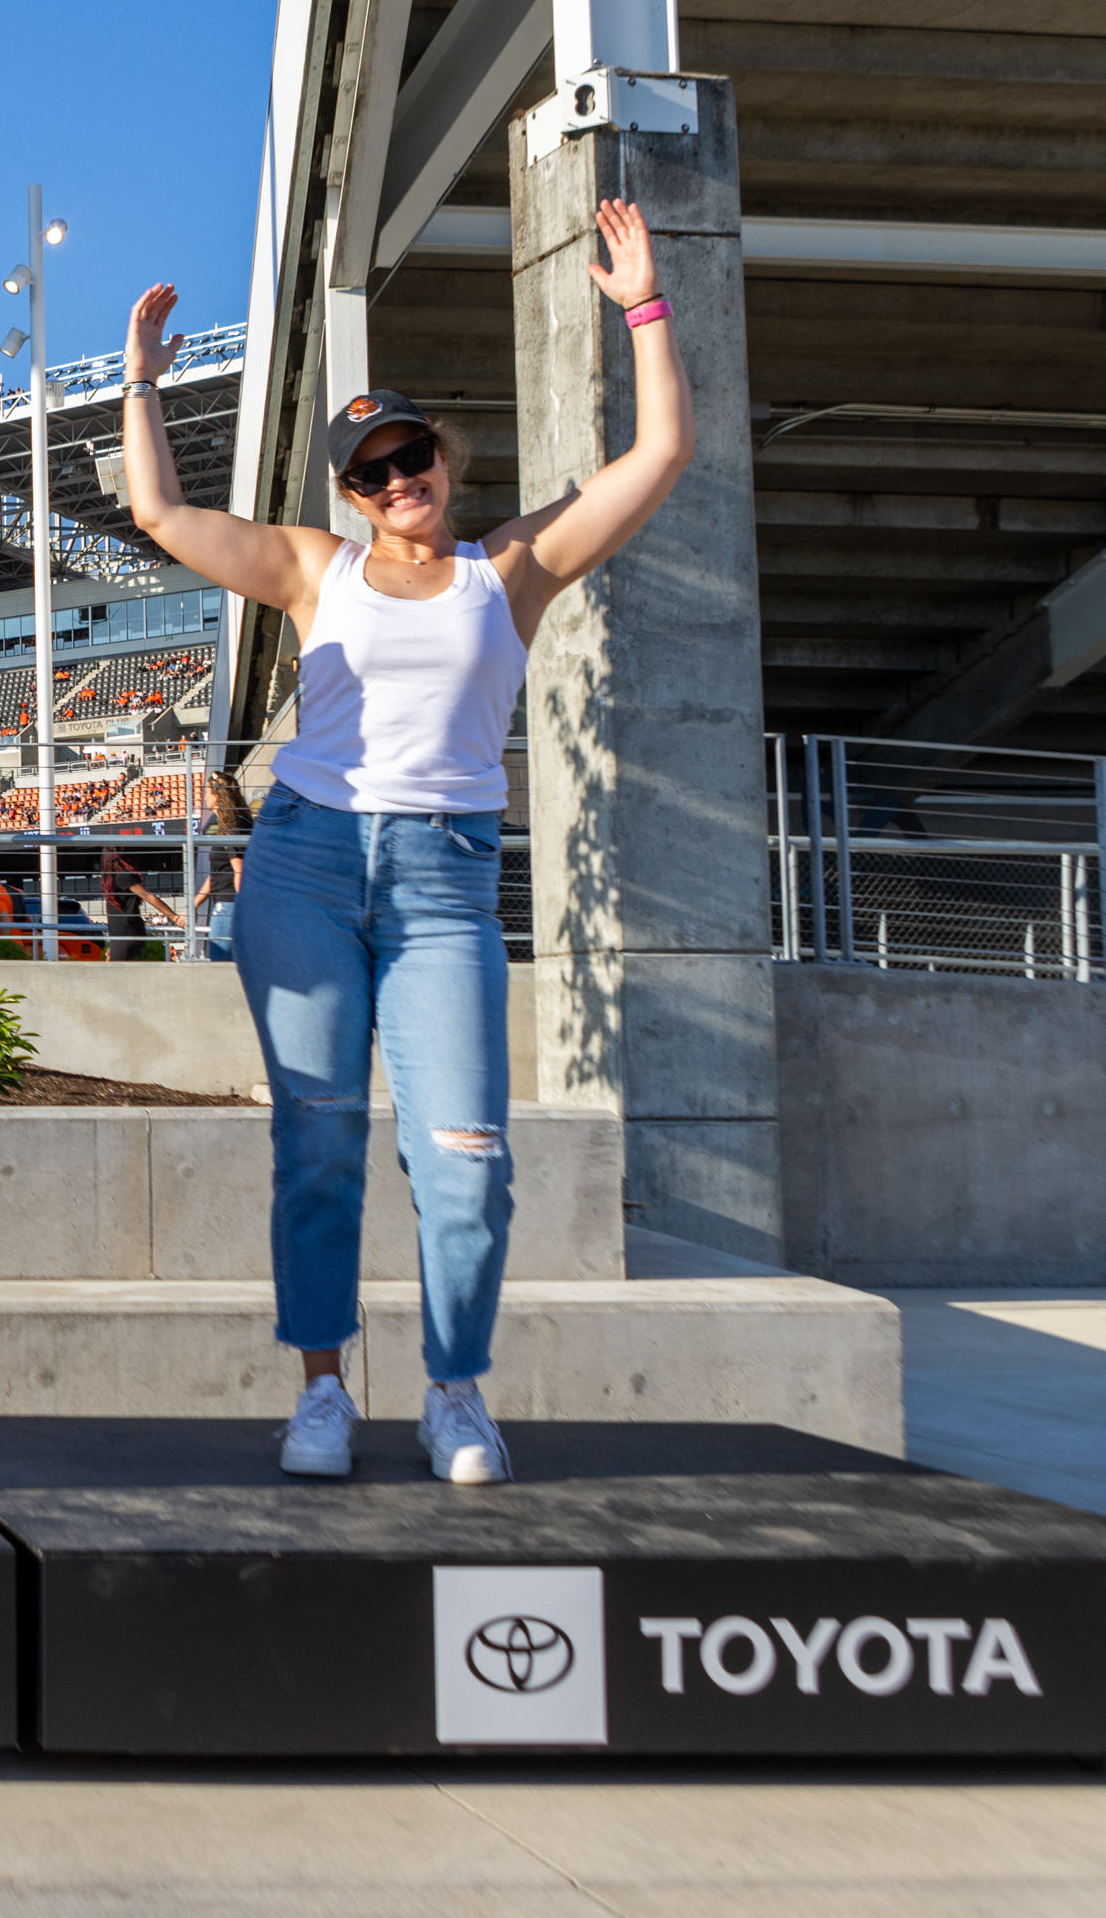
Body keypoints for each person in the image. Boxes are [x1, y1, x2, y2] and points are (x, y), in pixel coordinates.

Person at [110, 199, 698, 1487]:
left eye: (409, 457)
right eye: (370, 471)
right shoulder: (317, 569)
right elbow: (159, 515)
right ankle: (319, 1392)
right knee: (315, 1145)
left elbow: (657, 457)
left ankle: (453, 1395)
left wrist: (644, 309)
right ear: (349, 493)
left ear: (440, 455)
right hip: (308, 863)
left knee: (465, 1160)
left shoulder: (512, 569)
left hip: (440, 879)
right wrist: (141, 383)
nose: (396, 482)